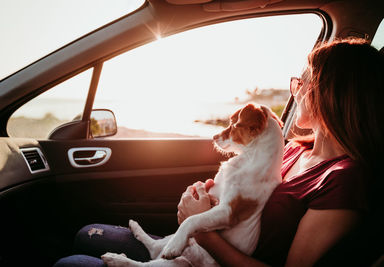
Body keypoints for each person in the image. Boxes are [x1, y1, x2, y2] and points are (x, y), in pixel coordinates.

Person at [54, 38, 384, 267]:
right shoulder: (293, 151)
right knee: (87, 233)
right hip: (205, 246)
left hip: (216, 256)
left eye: (304, 83)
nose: (295, 91)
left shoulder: (344, 181)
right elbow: (242, 204)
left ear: (332, 95)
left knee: (71, 264)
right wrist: (206, 201)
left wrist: (197, 227)